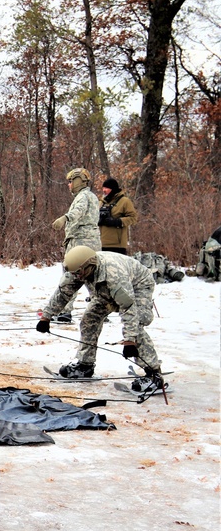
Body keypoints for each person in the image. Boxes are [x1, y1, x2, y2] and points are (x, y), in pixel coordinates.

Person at [36, 245, 165, 393]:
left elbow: (128, 308)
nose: (76, 277)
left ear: (89, 267)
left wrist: (129, 340)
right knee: (89, 320)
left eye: (78, 274)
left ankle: (154, 374)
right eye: (74, 274)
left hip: (137, 286)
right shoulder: (78, 269)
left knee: (138, 323)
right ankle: (85, 365)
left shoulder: (115, 276)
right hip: (105, 290)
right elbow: (64, 293)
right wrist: (47, 316)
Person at [50, 167, 101, 323]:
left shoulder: (83, 197)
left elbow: (78, 212)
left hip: (80, 241)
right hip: (93, 241)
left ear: (79, 181)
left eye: (71, 181)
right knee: (93, 277)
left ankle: (64, 312)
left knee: (70, 276)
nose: (69, 185)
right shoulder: (92, 197)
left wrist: (64, 218)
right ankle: (99, 309)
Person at [97, 178, 138, 255]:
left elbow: (133, 218)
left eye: (106, 188)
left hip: (117, 245)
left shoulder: (124, 201)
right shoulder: (101, 203)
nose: (104, 190)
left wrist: (117, 221)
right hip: (101, 244)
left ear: (113, 189)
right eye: (103, 188)